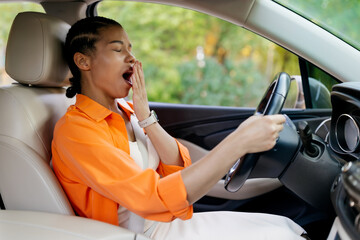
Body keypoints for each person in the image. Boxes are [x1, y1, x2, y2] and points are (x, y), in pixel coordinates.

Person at [52, 16, 307, 239]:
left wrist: (146, 118)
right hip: (135, 235)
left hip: (167, 224)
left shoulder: (127, 113)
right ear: (84, 62)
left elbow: (178, 168)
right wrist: (238, 142)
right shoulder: (76, 131)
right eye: (119, 50)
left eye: (131, 49)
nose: (132, 58)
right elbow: (152, 197)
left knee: (285, 227)